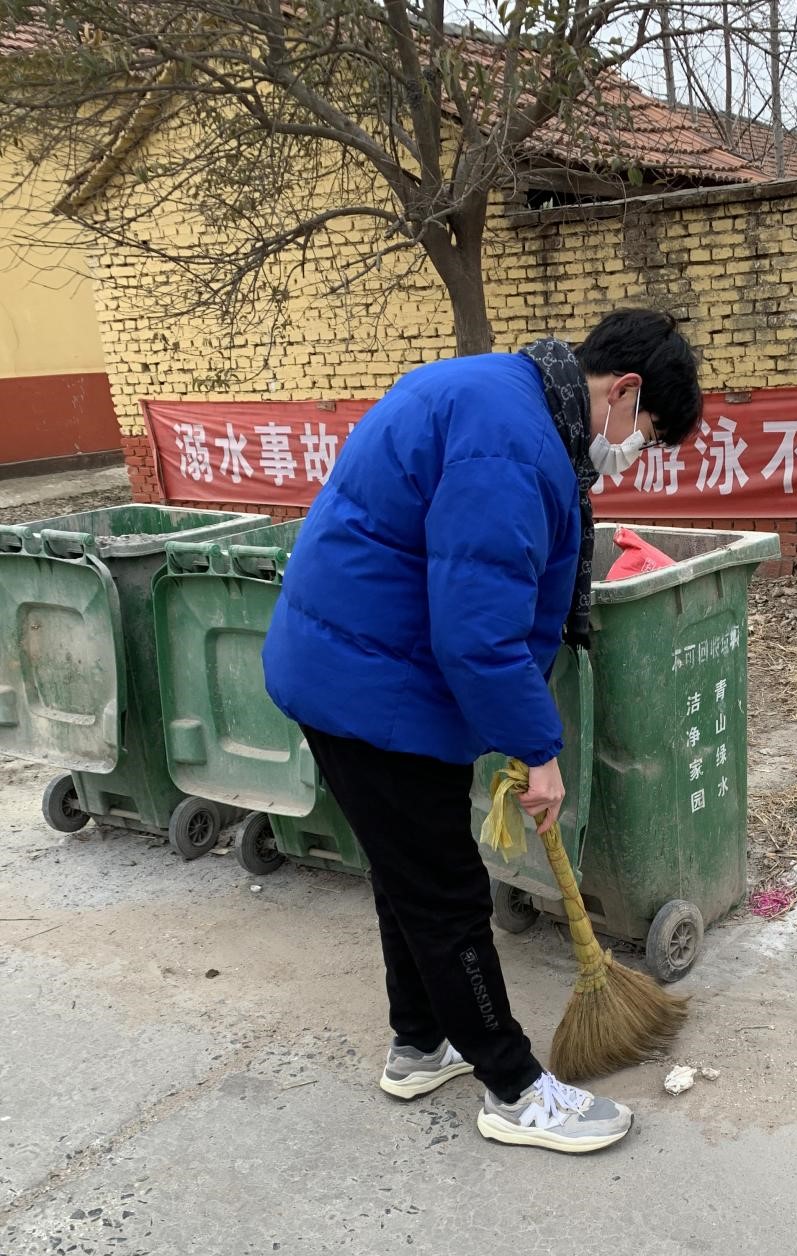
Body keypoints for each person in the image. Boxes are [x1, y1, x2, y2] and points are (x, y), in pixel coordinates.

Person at [262, 309, 704, 1154]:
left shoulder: (503, 393)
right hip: (373, 686)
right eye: (644, 435)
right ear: (624, 391)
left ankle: (420, 1043)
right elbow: (478, 628)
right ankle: (514, 1087)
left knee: (410, 874)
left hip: (355, 665)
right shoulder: (513, 442)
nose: (631, 453)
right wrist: (538, 749)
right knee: (447, 896)